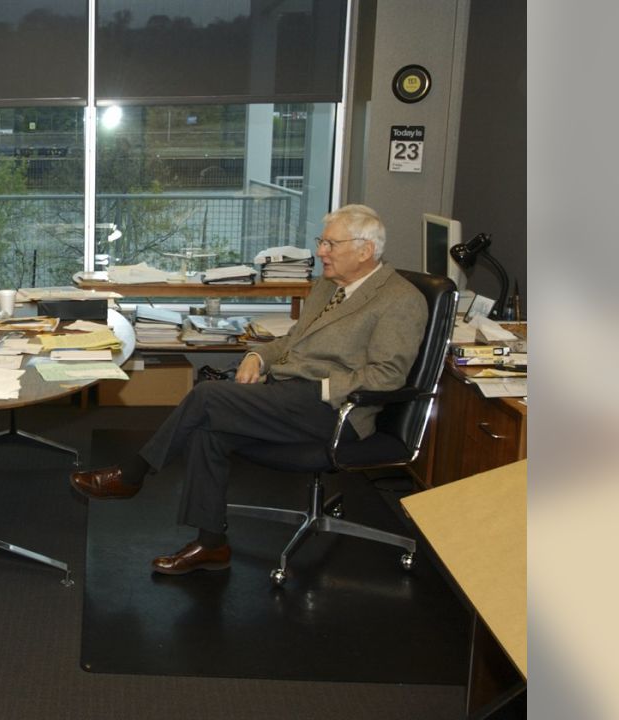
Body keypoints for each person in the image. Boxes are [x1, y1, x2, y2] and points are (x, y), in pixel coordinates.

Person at [70, 204, 428, 575]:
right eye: (322, 242)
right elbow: (292, 340)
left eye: (330, 244)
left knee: (207, 396)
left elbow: (387, 376)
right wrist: (257, 356)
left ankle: (131, 475)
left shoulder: (400, 299)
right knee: (209, 429)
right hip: (288, 395)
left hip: (335, 411)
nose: (321, 252)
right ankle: (211, 545)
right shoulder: (327, 286)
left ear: (365, 250)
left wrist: (322, 388)